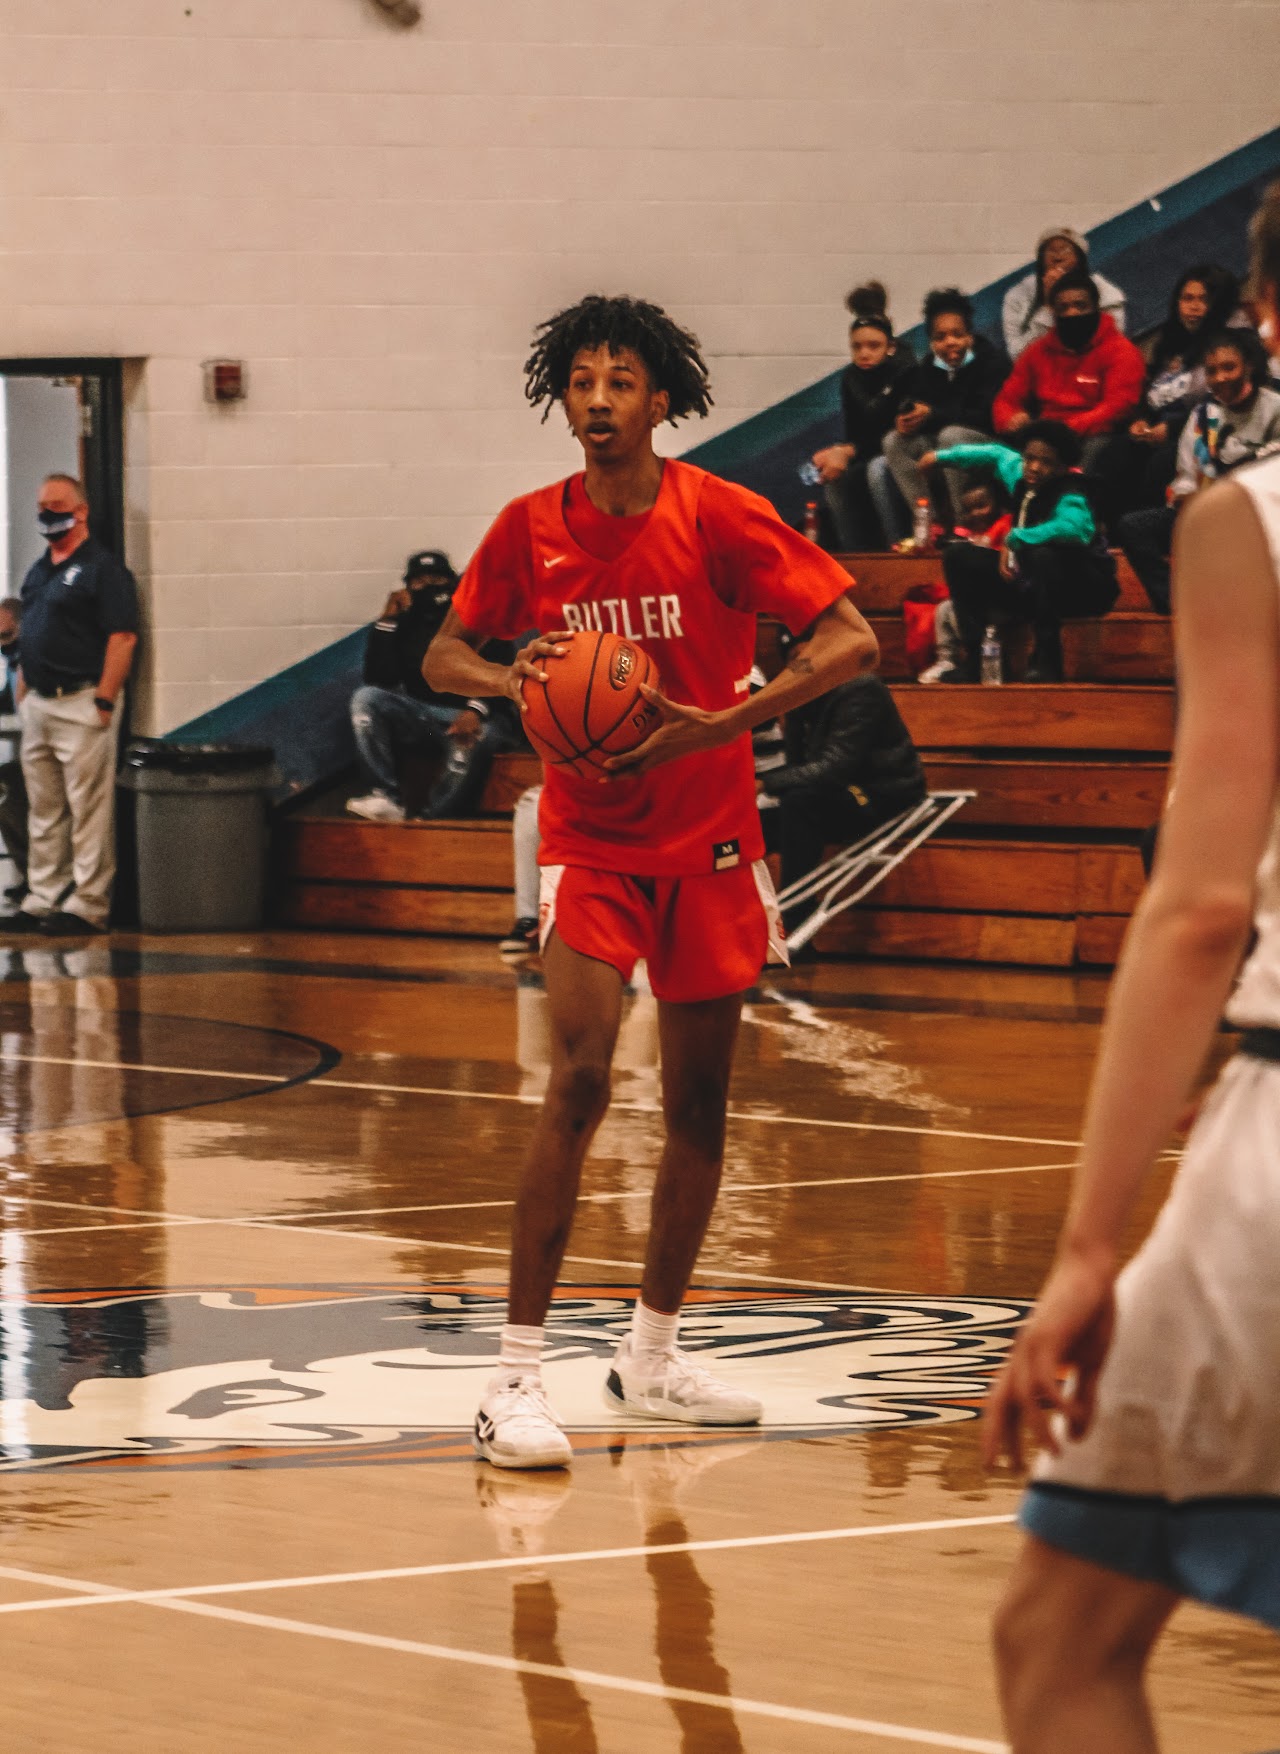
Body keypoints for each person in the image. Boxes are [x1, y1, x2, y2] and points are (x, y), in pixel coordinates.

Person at [425, 292, 876, 1468]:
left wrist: (716, 721)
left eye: (620, 381)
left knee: (697, 1109)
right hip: (590, 840)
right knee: (575, 1079)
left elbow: (849, 643)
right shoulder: (530, 527)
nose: (596, 401)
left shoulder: (720, 515)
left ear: (659, 399)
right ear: (558, 400)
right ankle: (513, 1378)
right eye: (579, 382)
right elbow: (441, 652)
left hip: (714, 842)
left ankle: (652, 1354)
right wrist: (510, 677)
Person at [982, 181, 1280, 1753]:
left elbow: (1197, 907)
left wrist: (1090, 1245)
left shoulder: (1249, 516)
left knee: (1064, 1633)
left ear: (1271, 323)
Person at [6, 475, 138, 937]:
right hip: (40, 703)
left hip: (82, 700)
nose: (46, 514)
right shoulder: (40, 570)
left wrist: (104, 698)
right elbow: (27, 634)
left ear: (80, 511)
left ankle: (88, 903)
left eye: (56, 505)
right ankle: (43, 895)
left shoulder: (103, 569)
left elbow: (122, 636)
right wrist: (23, 694)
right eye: (42, 505)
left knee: (88, 809)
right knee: (44, 809)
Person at [923, 421, 1118, 682]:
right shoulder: (1021, 475)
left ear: (1061, 467)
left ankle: (1048, 658)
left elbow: (1075, 528)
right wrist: (940, 457)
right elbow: (994, 454)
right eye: (1030, 458)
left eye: (1046, 462)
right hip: (1030, 585)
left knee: (1042, 553)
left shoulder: (1072, 492)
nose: (1034, 467)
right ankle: (975, 659)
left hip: (1078, 590)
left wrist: (1017, 537)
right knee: (958, 556)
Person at [346, 550, 515, 823]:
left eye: (437, 578)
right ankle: (385, 796)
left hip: (480, 712)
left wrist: (475, 711)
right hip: (424, 715)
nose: (429, 587)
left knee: (475, 739)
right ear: (408, 587)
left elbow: (503, 671)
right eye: (420, 582)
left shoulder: (476, 614)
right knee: (366, 699)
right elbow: (381, 679)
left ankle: (434, 820)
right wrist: (387, 622)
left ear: (451, 582)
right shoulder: (407, 622)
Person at [1118, 329, 1280, 613]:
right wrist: (1186, 499)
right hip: (1208, 514)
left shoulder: (1275, 409)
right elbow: (1187, 477)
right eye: (1212, 371)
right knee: (1134, 526)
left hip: (1262, 518)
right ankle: (1179, 606)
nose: (1220, 378)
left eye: (1229, 368)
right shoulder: (1204, 416)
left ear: (1250, 366)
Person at [761, 667, 926, 931]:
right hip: (836, 791)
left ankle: (793, 920)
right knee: (761, 820)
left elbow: (835, 767)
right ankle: (744, 924)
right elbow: (798, 763)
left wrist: (765, 783)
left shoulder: (860, 687)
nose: (797, 660)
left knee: (800, 804)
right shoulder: (801, 689)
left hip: (882, 793)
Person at [1097, 264, 1249, 521]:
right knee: (1115, 453)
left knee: (1163, 461)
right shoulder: (1171, 342)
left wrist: (1173, 429)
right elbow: (1152, 393)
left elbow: (1224, 400)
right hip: (1157, 428)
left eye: (1204, 299)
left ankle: (1150, 531)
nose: (1193, 307)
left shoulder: (1234, 343)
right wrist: (1141, 420)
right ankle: (1112, 534)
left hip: (1208, 430)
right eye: (1187, 298)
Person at [993, 271, 1147, 474]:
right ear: (1053, 312)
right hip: (1040, 438)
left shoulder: (1121, 351)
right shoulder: (1038, 351)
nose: (1072, 314)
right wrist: (1010, 419)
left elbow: (1116, 408)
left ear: (1096, 307)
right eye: (1063, 308)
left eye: (1080, 306)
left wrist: (1059, 432)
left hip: (1092, 438)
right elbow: (1005, 400)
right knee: (959, 440)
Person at [881, 288, 1010, 528]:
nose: (950, 342)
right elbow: (924, 413)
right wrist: (910, 421)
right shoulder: (927, 369)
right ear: (931, 342)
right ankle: (929, 525)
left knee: (952, 436)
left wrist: (932, 414)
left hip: (990, 446)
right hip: (941, 445)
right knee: (894, 441)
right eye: (940, 337)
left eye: (957, 334)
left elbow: (986, 416)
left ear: (970, 336)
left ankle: (963, 524)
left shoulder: (993, 362)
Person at [810, 282, 916, 550]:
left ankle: (898, 547)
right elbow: (856, 433)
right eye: (857, 347)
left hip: (903, 450)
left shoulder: (905, 367)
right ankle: (857, 556)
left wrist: (847, 450)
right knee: (835, 477)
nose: (864, 353)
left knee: (877, 470)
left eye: (872, 346)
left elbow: (897, 430)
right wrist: (840, 452)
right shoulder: (851, 378)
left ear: (889, 345)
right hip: (870, 450)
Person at [917, 483, 1014, 684]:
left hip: (1000, 592)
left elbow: (989, 549)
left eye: (981, 506)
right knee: (944, 609)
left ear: (998, 506)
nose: (975, 514)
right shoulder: (970, 534)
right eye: (968, 510)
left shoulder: (1005, 523)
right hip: (974, 597)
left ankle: (978, 659)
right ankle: (946, 659)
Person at [1002, 225, 1128, 361]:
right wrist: (1047, 308)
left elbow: (1113, 347)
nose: (1058, 258)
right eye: (1051, 251)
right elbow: (1017, 357)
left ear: (1080, 259)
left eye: (1066, 250)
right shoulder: (1019, 295)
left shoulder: (1105, 292)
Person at [0, 597, 29, 902]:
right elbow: (8, 700)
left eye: (7, 636)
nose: (3, 645)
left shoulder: (33, 657)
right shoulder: (13, 660)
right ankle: (27, 871)